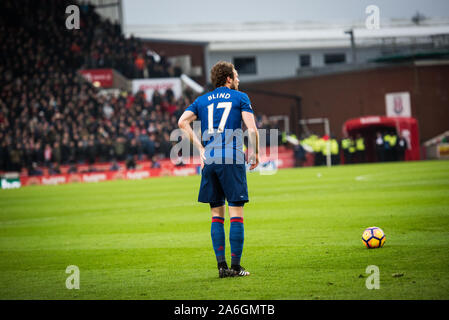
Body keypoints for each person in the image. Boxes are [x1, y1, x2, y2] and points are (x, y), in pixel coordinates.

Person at [178, 61, 259, 278]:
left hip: (210, 160)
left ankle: (222, 267)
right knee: (236, 213)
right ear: (229, 79)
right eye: (236, 75)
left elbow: (182, 122)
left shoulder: (201, 100)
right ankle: (236, 267)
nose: (238, 79)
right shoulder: (240, 97)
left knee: (216, 215)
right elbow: (251, 128)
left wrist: (201, 148)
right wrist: (255, 152)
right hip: (232, 157)